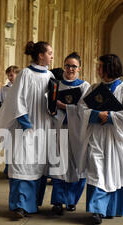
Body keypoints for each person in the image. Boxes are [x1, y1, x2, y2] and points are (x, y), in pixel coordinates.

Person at [67, 54, 123, 225]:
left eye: (100, 66)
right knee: (96, 171)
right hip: (96, 137)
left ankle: (109, 209)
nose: (98, 69)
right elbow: (81, 109)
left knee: (112, 172)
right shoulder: (93, 88)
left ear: (109, 68)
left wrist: (111, 117)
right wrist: (95, 114)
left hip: (115, 139)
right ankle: (96, 211)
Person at [0, 41, 54, 219]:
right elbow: (17, 101)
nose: (52, 56)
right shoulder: (25, 74)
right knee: (22, 164)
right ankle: (19, 205)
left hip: (43, 127)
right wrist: (26, 124)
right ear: (40, 55)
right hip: (25, 127)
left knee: (37, 166)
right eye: (49, 53)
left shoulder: (49, 75)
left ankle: (32, 204)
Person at [50, 52, 91, 215]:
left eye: (74, 66)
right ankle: (58, 201)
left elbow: (86, 109)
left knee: (76, 165)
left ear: (79, 68)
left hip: (78, 130)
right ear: (63, 66)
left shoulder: (84, 86)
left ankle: (72, 200)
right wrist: (54, 107)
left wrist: (65, 107)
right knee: (59, 164)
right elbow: (48, 105)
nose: (70, 69)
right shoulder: (55, 84)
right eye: (67, 65)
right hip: (59, 128)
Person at [0, 65, 20, 178]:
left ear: (17, 74)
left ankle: (15, 168)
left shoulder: (21, 87)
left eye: (11, 75)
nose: (10, 78)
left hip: (18, 120)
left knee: (17, 145)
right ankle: (7, 167)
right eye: (8, 76)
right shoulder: (4, 89)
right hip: (7, 120)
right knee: (7, 145)